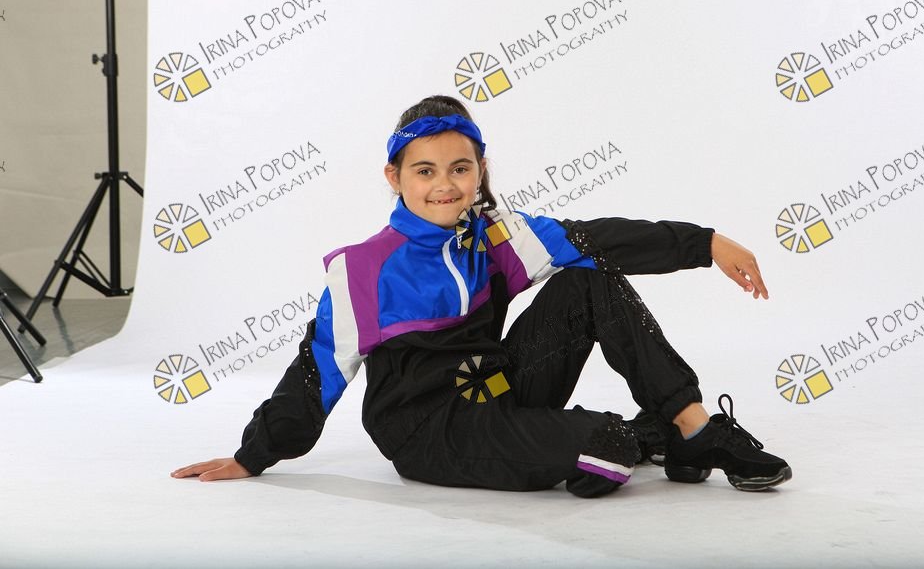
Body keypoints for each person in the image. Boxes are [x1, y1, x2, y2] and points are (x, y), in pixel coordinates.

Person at [172, 95, 791, 497]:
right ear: (394, 177)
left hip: (494, 391)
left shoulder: (494, 238)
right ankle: (633, 438)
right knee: (609, 448)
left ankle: (691, 429)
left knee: (589, 276)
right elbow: (315, 374)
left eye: (460, 168)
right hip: (428, 431)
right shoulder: (362, 270)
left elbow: (594, 238)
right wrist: (253, 455)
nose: (445, 185)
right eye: (425, 170)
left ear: (480, 171)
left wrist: (705, 243)